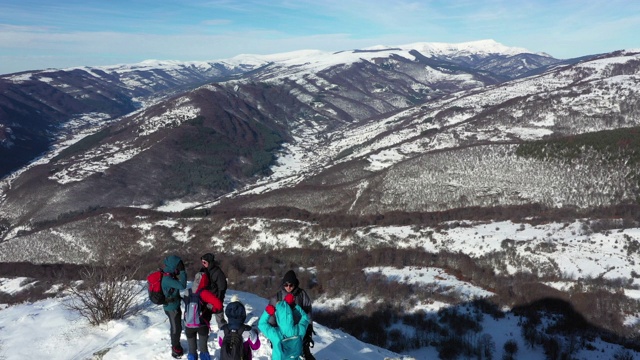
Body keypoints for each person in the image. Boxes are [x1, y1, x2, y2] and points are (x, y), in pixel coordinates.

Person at [268, 270, 315, 360]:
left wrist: (308, 331)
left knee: (301, 356)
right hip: (283, 335)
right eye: (286, 285)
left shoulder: (301, 295)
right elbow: (272, 318)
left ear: (295, 284)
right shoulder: (277, 297)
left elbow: (308, 313)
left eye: (291, 285)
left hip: (298, 332)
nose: (288, 287)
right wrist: (272, 336)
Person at [184, 271, 223, 360]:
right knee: (203, 349)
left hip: (188, 324)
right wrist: (210, 307)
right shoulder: (204, 293)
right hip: (202, 324)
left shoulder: (187, 291)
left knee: (192, 350)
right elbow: (219, 305)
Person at [259, 294, 309, 360]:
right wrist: (294, 306)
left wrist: (267, 313)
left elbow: (261, 324)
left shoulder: (275, 334)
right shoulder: (299, 331)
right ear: (291, 315)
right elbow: (305, 318)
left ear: (278, 317)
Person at [217, 295, 261, 360]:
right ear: (243, 313)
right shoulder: (248, 331)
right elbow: (256, 346)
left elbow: (221, 344)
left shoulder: (222, 330)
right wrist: (256, 333)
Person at [161, 255, 187, 358]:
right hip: (171, 308)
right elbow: (182, 285)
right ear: (173, 265)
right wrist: (182, 272)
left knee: (178, 327)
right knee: (176, 328)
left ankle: (176, 344)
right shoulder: (167, 278)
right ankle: (175, 348)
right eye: (178, 265)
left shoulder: (169, 274)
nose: (179, 267)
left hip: (174, 306)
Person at [200, 253, 228, 329]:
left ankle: (224, 335)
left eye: (204, 262)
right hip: (206, 301)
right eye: (202, 262)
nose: (203, 264)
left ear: (210, 262)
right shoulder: (203, 271)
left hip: (216, 299)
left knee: (220, 320)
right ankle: (204, 335)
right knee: (204, 320)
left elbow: (222, 287)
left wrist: (219, 300)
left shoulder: (218, 273)